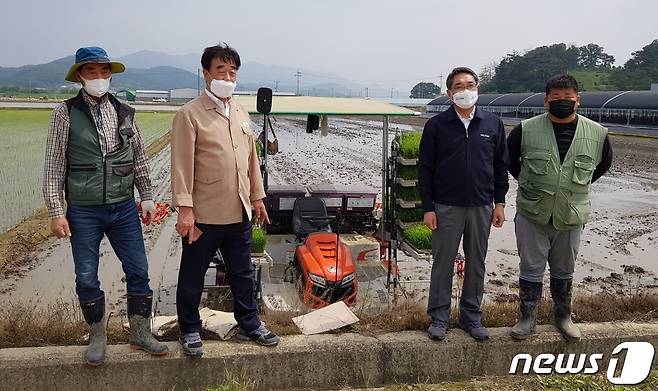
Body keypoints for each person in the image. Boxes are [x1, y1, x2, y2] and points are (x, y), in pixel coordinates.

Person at [42, 46, 168, 366]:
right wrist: (57, 212)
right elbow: (55, 166)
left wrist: (148, 196)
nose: (99, 77)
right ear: (80, 76)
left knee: (138, 269)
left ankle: (140, 332)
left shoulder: (125, 111)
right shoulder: (65, 113)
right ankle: (98, 335)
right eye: (91, 72)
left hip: (123, 207)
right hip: (83, 210)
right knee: (86, 276)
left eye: (103, 71)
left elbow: (138, 158)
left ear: (110, 74)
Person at [171, 43, 280, 357]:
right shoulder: (190, 114)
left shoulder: (241, 112)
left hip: (239, 211)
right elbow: (181, 165)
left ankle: (249, 321)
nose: (227, 76)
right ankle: (190, 328)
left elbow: (250, 159)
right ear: (206, 73)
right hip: (203, 213)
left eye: (232, 71)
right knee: (193, 274)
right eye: (221, 70)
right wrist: (185, 210)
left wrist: (257, 197)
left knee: (242, 271)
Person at [507, 74, 613, 341]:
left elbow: (602, 166)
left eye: (568, 98)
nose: (562, 102)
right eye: (556, 97)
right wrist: (536, 184)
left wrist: (568, 187)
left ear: (578, 101)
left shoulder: (597, 134)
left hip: (571, 214)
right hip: (532, 212)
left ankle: (563, 316)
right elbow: (509, 161)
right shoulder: (526, 129)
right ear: (546, 101)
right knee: (530, 268)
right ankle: (527, 317)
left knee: (565, 269)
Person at [418, 67, 509, 341]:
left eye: (470, 84)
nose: (465, 90)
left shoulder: (492, 123)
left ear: (478, 88)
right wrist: (428, 208)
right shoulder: (437, 126)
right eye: (458, 86)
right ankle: (439, 316)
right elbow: (425, 170)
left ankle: (471, 316)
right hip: (446, 206)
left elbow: (500, 166)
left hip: (482, 206)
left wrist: (500, 203)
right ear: (449, 94)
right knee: (443, 263)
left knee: (476, 263)